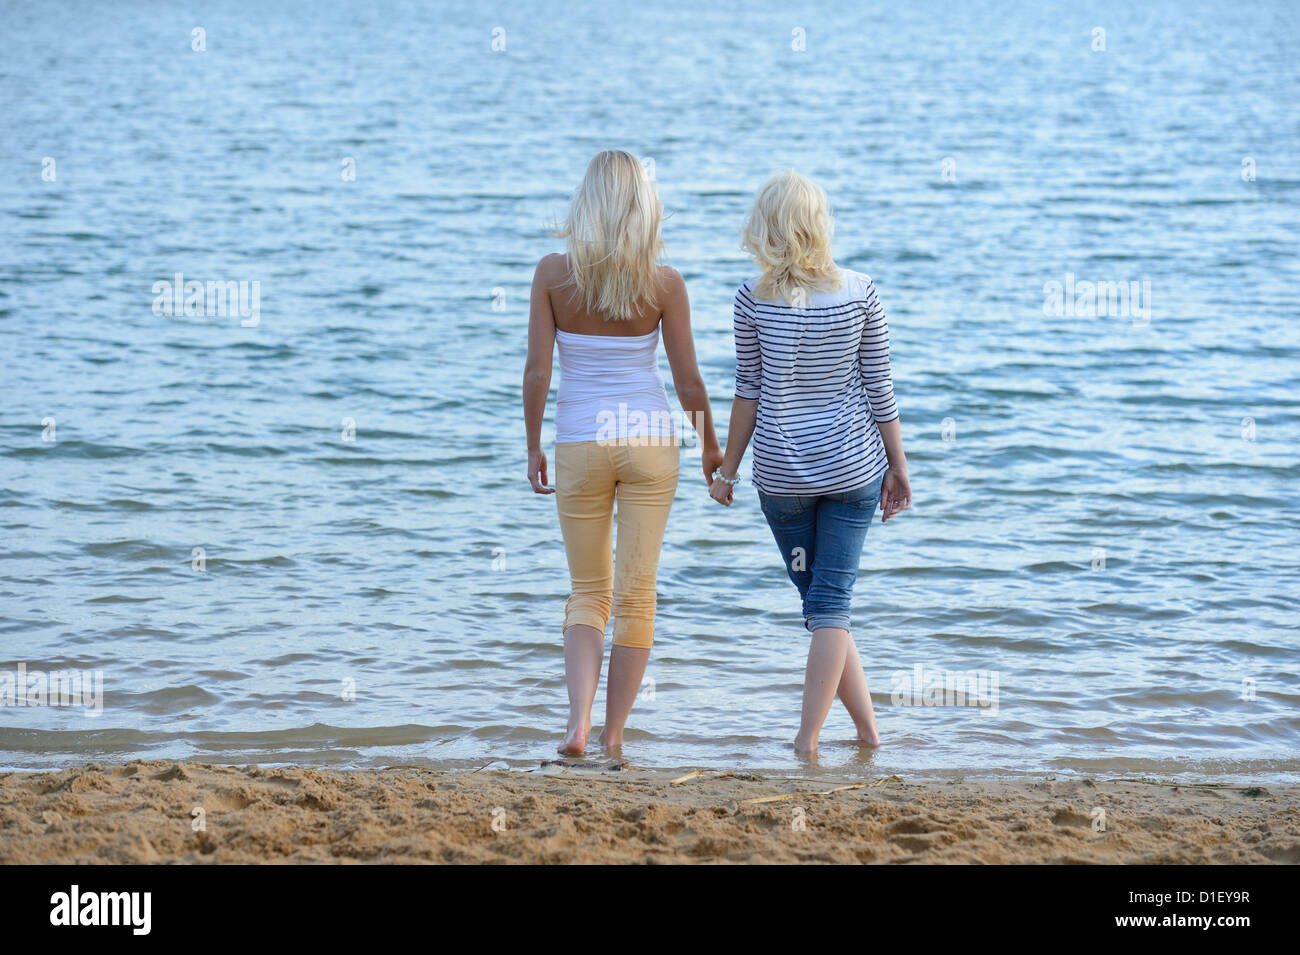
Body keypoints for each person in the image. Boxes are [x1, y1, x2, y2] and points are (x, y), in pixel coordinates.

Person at [523, 150, 722, 754]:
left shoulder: (552, 274)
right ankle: (612, 737)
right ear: (644, 208)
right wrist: (711, 448)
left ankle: (576, 724)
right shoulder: (663, 283)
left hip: (581, 441)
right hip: (649, 445)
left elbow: (537, 371)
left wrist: (532, 444)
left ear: (587, 203)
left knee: (588, 591)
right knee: (637, 594)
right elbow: (688, 383)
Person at [709, 169, 912, 753]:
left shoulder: (753, 298)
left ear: (764, 229)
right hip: (853, 472)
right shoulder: (861, 291)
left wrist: (728, 471)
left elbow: (748, 390)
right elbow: (880, 387)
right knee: (828, 606)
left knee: (823, 605)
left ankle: (811, 740)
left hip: (782, 476)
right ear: (819, 224)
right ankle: (866, 734)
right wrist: (898, 466)